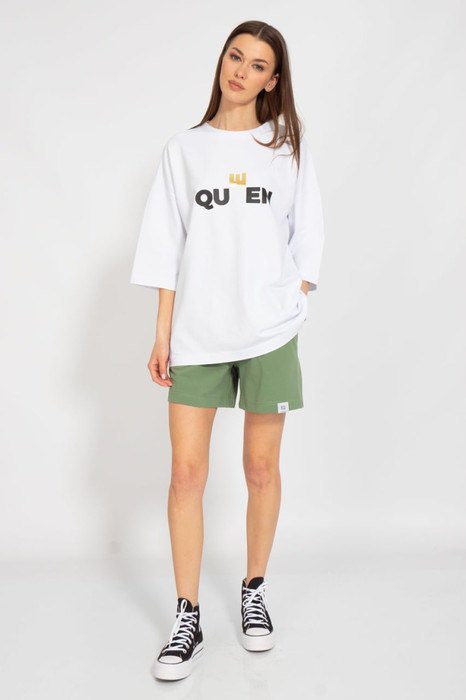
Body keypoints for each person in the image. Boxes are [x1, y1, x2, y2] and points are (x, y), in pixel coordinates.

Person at [130, 20, 324, 682]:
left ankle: (253, 590)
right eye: (235, 56)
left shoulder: (286, 150)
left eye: (257, 64)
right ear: (222, 62)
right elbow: (166, 244)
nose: (241, 70)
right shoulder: (184, 150)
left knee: (260, 468)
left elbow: (308, 237)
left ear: (274, 79)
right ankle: (186, 615)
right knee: (187, 475)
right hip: (198, 333)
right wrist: (163, 332)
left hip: (269, 333)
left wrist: (292, 301)